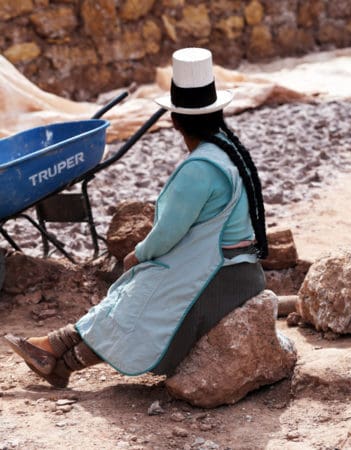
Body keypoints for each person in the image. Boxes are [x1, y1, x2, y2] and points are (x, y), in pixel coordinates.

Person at [4, 47, 268, 388]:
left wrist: (138, 254)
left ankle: (59, 356)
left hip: (221, 276)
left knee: (140, 292)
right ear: (217, 111)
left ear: (174, 120)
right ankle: (54, 353)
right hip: (239, 269)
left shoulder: (199, 168)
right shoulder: (230, 151)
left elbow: (167, 234)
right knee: (138, 288)